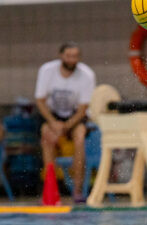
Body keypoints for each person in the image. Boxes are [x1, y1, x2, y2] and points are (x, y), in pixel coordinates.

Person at [35, 42, 96, 202]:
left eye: (75, 56)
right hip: (53, 116)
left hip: (75, 117)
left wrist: (65, 127)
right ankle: (51, 189)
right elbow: (40, 101)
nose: (72, 60)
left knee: (80, 138)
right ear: (61, 55)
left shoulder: (87, 75)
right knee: (46, 135)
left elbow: (83, 108)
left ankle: (77, 190)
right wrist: (53, 124)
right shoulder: (47, 70)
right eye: (69, 56)